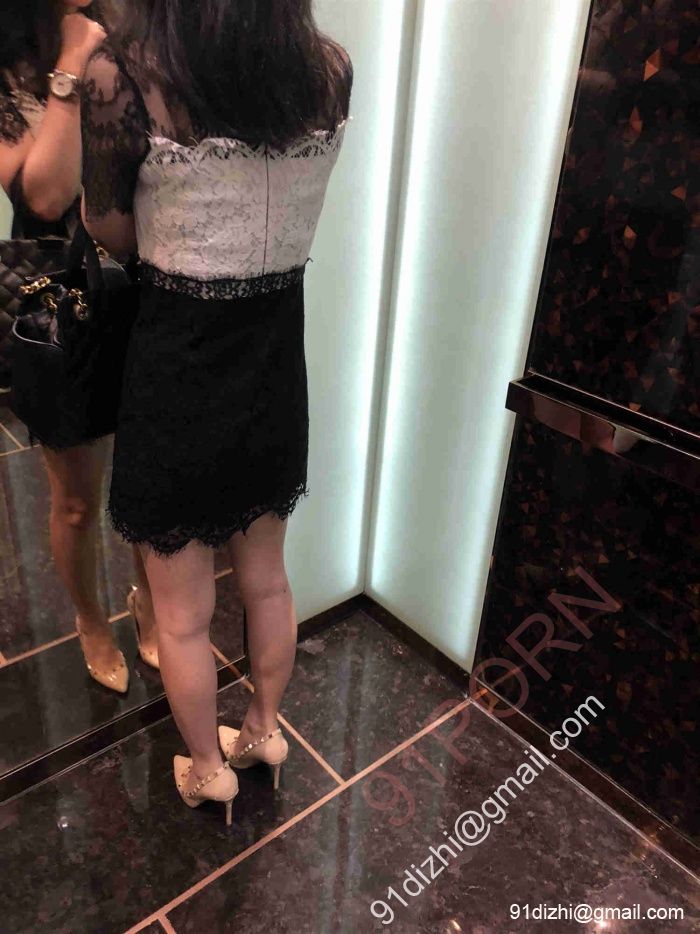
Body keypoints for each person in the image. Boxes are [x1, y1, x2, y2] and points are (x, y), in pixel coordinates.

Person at [81, 0, 352, 823]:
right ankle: (264, 731)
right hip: (275, 366)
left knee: (182, 615)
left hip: (178, 372)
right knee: (266, 581)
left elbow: (109, 229)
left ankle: (207, 770)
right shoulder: (329, 70)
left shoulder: (121, 76)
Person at [0, 0, 159, 692]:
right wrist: (72, 60)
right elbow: (45, 191)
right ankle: (91, 620)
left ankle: (149, 601)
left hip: (150, 285)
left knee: (148, 483)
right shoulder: (11, 66)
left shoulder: (137, 31)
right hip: (60, 301)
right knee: (75, 501)